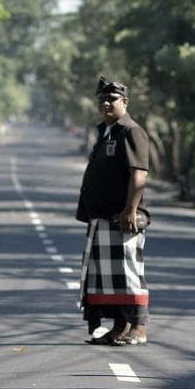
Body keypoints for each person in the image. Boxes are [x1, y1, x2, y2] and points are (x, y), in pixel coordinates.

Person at [76, 76, 150, 347]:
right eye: (102, 100)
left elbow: (139, 173)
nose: (106, 104)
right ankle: (119, 327)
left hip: (123, 219)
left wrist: (130, 210)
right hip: (103, 217)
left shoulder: (132, 131)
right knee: (109, 278)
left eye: (112, 99)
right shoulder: (106, 131)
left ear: (125, 102)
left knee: (129, 273)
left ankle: (138, 328)